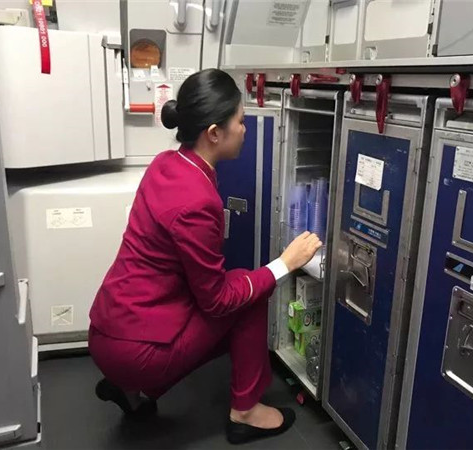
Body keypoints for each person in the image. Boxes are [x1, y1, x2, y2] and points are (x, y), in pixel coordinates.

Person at [88, 68, 322, 445]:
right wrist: (285, 263)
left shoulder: (166, 164)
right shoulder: (196, 202)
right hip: (136, 352)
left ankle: (131, 391)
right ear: (214, 133)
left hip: (106, 333)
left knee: (239, 287)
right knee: (249, 291)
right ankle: (245, 412)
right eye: (240, 121)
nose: (245, 129)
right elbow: (216, 302)